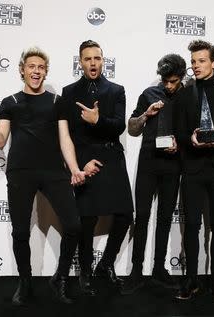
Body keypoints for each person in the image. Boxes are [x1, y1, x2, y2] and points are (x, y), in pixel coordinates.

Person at [0, 47, 83, 306]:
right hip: (21, 172)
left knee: (73, 225)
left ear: (45, 71)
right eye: (32, 66)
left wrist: (73, 168)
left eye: (41, 67)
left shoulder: (56, 101)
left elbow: (65, 139)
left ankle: (60, 277)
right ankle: (25, 281)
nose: (36, 71)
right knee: (20, 232)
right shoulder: (10, 102)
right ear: (22, 70)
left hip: (53, 172)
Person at [56, 40, 134, 296]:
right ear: (80, 62)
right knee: (87, 220)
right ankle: (85, 271)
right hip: (85, 160)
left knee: (124, 216)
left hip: (112, 157)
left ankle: (106, 264)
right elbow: (69, 135)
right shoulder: (68, 92)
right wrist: (78, 165)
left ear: (103, 60)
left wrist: (97, 119)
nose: (93, 63)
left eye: (97, 58)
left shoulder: (116, 90)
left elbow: (119, 126)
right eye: (87, 59)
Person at [173, 40, 214, 301]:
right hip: (193, 167)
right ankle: (191, 279)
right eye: (193, 62)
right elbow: (177, 131)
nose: (196, 66)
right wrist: (191, 138)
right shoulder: (183, 95)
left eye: (201, 61)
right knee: (191, 225)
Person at [121, 54, 186, 295]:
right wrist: (146, 114)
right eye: (165, 81)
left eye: (174, 81)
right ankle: (136, 271)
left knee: (165, 219)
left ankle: (159, 269)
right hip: (149, 162)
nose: (169, 85)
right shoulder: (149, 94)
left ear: (181, 77)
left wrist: (179, 145)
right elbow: (132, 128)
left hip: (173, 164)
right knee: (143, 217)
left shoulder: (188, 95)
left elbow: (192, 132)